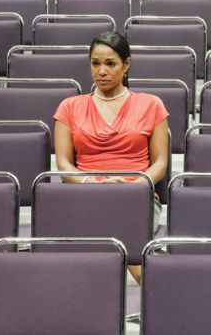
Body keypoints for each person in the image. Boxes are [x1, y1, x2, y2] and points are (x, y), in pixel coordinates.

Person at [53, 30, 169, 283]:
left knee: (115, 229)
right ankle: (160, 292)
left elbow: (160, 163)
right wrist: (94, 184)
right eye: (95, 63)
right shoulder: (69, 107)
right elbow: (63, 164)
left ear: (127, 65)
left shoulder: (152, 104)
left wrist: (132, 187)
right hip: (85, 194)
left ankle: (157, 296)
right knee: (111, 232)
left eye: (110, 63)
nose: (101, 71)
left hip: (136, 195)